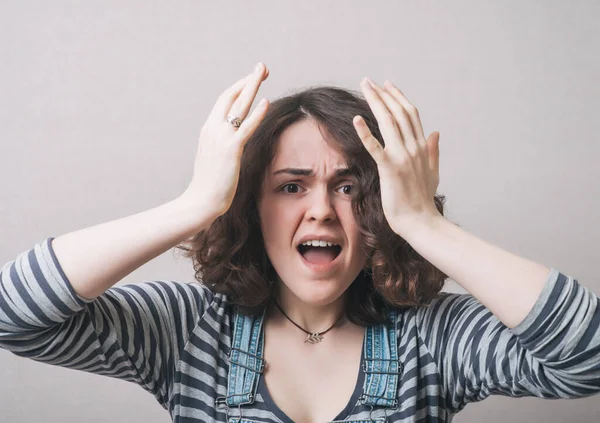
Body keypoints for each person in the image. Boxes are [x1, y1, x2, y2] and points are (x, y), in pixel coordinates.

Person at [1, 62, 599, 423]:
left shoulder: (434, 339)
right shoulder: (188, 331)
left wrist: (424, 225)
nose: (321, 210)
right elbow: (15, 316)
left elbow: (589, 358)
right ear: (251, 206)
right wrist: (195, 204)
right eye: (291, 186)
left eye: (349, 187)